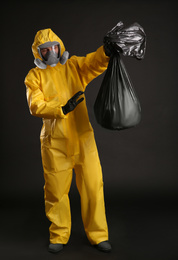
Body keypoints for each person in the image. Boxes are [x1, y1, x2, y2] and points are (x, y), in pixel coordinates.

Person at [25, 28, 111, 253]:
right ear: (38, 53)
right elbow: (35, 105)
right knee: (56, 192)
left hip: (83, 138)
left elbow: (93, 63)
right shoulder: (34, 76)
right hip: (55, 143)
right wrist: (61, 108)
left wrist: (107, 52)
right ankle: (59, 235)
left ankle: (98, 234)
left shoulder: (73, 67)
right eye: (46, 50)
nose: (52, 53)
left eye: (55, 47)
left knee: (93, 186)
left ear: (60, 46)